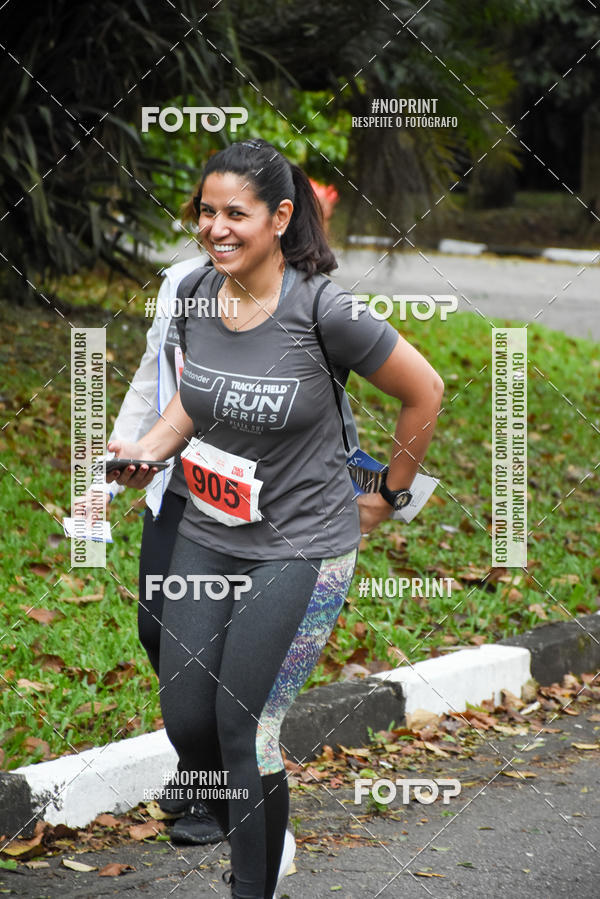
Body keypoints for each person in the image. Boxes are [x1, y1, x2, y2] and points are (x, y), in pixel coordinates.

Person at [107, 137, 444, 899]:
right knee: (188, 716)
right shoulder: (194, 291)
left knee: (241, 722)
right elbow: (195, 396)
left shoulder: (324, 308)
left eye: (236, 214)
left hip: (303, 548)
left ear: (281, 216)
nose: (215, 228)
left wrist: (387, 495)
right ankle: (258, 827)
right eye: (205, 211)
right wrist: (150, 451)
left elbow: (424, 391)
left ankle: (252, 880)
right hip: (207, 534)